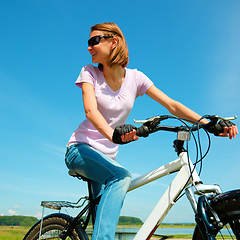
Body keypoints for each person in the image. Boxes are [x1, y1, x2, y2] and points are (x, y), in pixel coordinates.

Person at [65, 22, 238, 240]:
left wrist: (206, 122)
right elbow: (90, 111)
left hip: (106, 157)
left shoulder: (136, 78)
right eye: (88, 43)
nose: (89, 47)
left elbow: (171, 105)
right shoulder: (89, 72)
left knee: (104, 214)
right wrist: (113, 134)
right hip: (80, 149)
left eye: (93, 41)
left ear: (113, 42)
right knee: (121, 177)